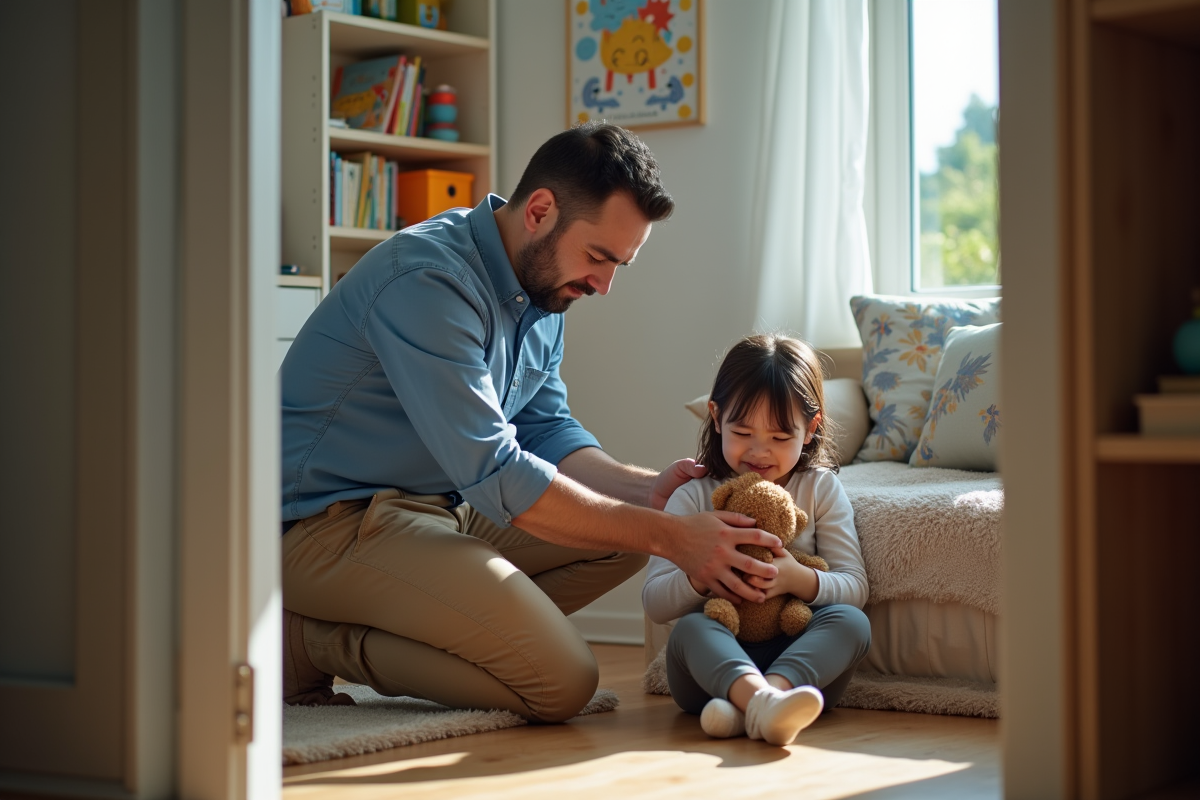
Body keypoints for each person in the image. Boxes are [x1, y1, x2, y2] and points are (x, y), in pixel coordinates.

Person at [278, 122, 785, 723]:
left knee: (623, 538)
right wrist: (669, 535)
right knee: (561, 682)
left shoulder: (541, 291)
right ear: (540, 211)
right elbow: (493, 468)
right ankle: (309, 642)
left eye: (621, 264)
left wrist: (648, 493)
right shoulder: (428, 281)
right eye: (598, 257)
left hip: (438, 510)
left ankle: (459, 631)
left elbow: (546, 429)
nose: (603, 285)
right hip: (326, 528)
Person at [643, 334, 871, 745]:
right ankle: (762, 702)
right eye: (743, 431)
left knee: (852, 623)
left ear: (810, 428)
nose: (760, 451)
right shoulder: (694, 495)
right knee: (690, 631)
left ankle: (754, 707)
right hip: (708, 672)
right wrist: (699, 576)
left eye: (781, 437)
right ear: (716, 417)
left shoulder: (819, 489)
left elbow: (855, 588)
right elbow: (655, 602)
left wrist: (796, 579)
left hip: (798, 668)